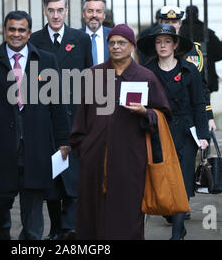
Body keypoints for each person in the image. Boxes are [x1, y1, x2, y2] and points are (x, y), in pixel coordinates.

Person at [0, 10, 71, 240]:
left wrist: (64, 140)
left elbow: (57, 104)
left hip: (36, 146)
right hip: (0, 147)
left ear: (29, 33)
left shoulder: (46, 60)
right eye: (11, 29)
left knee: (33, 211)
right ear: (5, 31)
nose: (16, 34)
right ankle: (2, 234)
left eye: (21, 30)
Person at [69, 24, 172, 240]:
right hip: (95, 157)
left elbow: (162, 114)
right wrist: (82, 146)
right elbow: (82, 114)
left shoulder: (145, 76)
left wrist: (145, 112)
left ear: (132, 46)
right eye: (112, 43)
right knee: (92, 213)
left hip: (130, 157)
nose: (116, 47)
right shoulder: (94, 75)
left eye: (121, 43)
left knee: (127, 214)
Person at [29, 0, 92, 240]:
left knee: (74, 174)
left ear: (67, 11)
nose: (56, 15)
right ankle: (56, 227)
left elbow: (89, 79)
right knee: (52, 178)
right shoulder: (33, 40)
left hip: (75, 117)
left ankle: (69, 227)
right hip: (45, 119)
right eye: (51, 10)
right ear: (45, 11)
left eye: (60, 10)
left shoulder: (80, 39)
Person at [138, 23, 210, 240]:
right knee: (161, 176)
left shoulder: (189, 71)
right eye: (159, 42)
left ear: (175, 44)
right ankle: (171, 215)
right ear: (154, 45)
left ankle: (178, 231)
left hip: (185, 132)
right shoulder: (146, 72)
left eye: (167, 41)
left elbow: (199, 103)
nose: (163, 46)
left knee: (182, 179)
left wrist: (204, 135)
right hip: (157, 130)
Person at [157, 5, 217, 133]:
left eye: (174, 22)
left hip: (186, 114)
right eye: (166, 22)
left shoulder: (193, 50)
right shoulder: (153, 48)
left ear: (180, 24)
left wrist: (208, 116)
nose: (171, 25)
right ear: (160, 23)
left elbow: (201, 87)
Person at [180, 5, 222, 93]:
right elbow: (220, 53)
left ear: (186, 15)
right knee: (204, 102)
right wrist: (208, 59)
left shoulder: (179, 32)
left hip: (182, 75)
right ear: (197, 15)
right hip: (206, 74)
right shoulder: (208, 32)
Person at [80, 0, 111, 65]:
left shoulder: (113, 35)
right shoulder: (75, 37)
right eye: (90, 11)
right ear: (83, 14)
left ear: (104, 15)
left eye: (99, 11)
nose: (94, 15)